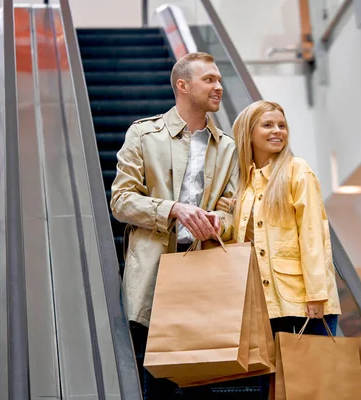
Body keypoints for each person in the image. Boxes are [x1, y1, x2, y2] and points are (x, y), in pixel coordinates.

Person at [110, 52, 238, 399]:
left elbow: (231, 210)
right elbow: (120, 200)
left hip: (204, 268)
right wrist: (173, 209)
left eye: (220, 80)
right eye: (209, 79)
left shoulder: (227, 146)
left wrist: (218, 222)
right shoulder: (144, 134)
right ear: (183, 86)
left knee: (203, 375)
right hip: (158, 269)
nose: (218, 86)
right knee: (161, 377)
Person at [219, 99, 341, 336]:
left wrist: (316, 296)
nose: (277, 131)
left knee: (309, 373)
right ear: (248, 133)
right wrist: (225, 216)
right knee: (272, 374)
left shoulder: (297, 170)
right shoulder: (243, 185)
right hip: (261, 303)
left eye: (282, 126)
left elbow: (313, 235)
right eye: (268, 125)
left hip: (303, 302)